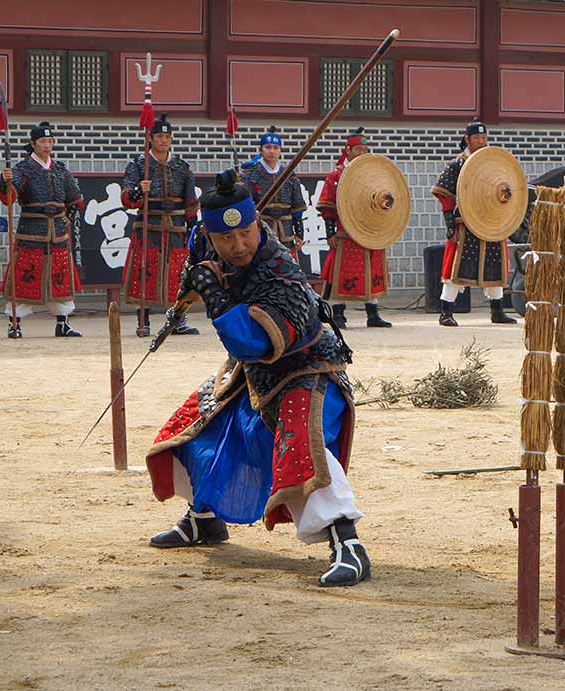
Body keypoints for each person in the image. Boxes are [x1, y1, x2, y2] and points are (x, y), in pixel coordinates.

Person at [144, 169, 369, 588]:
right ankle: (204, 519)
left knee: (302, 442)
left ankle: (347, 544)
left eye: (245, 233)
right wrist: (197, 278)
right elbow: (195, 264)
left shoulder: (281, 271)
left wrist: (214, 296)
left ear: (256, 225)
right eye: (226, 239)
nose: (239, 245)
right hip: (255, 374)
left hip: (306, 368)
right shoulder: (203, 240)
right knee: (201, 427)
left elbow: (252, 342)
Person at [0, 122, 84, 338]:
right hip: (31, 229)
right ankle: (14, 323)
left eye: (50, 141)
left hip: (57, 231)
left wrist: (66, 218)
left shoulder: (60, 169)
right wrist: (4, 182)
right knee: (25, 276)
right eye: (43, 141)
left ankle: (62, 322)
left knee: (61, 276)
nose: (47, 145)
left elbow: (75, 199)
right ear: (33, 144)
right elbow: (9, 198)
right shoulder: (22, 169)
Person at [431, 120, 517, 327]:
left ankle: (497, 310)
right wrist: (450, 226)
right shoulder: (457, 164)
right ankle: (446, 311)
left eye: (484, 137)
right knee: (456, 268)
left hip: (491, 222)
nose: (481, 141)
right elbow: (446, 197)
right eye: (477, 138)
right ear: (467, 139)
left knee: (495, 265)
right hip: (465, 222)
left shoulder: (494, 163)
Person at [121, 114, 199, 337]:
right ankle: (143, 320)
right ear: (150, 138)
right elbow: (127, 198)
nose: (163, 140)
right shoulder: (138, 165)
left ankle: (178, 319)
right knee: (145, 272)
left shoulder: (182, 167)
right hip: (149, 227)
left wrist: (192, 229)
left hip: (175, 227)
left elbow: (190, 203)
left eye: (167, 136)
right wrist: (139, 190)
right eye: (159, 136)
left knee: (178, 275)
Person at [316, 127, 392, 329]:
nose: (361, 153)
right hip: (345, 230)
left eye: (364, 150)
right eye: (357, 149)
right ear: (347, 151)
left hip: (370, 230)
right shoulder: (336, 176)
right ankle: (339, 314)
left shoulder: (374, 175)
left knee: (372, 268)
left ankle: (373, 313)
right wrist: (330, 232)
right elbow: (328, 205)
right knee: (342, 271)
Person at [240, 126, 307, 258]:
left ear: (280, 151)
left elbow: (297, 208)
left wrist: (299, 234)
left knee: (288, 266)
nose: (271, 151)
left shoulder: (289, 175)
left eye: (275, 148)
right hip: (261, 226)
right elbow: (246, 204)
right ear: (261, 150)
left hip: (286, 228)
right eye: (268, 147)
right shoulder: (250, 174)